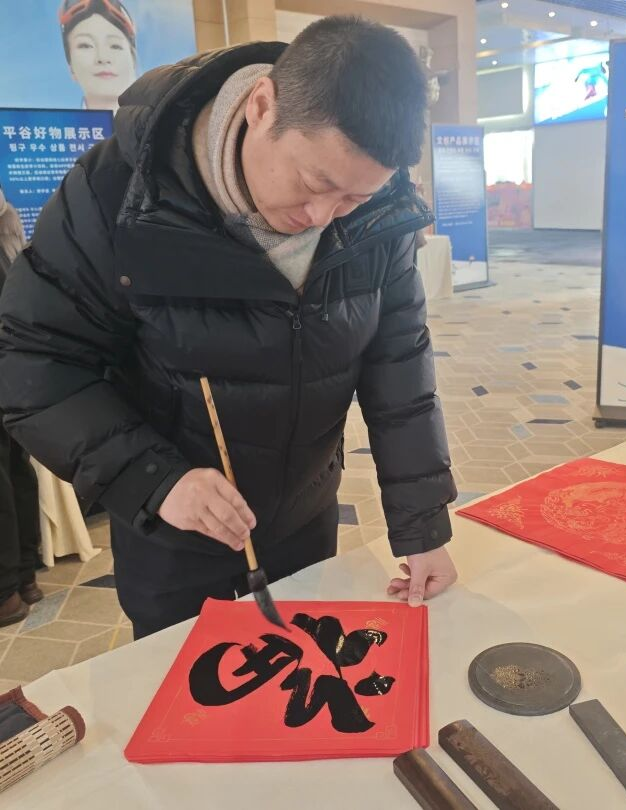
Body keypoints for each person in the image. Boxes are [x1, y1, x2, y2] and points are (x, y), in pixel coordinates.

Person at [0, 16, 458, 639]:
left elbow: (399, 364)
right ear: (261, 107)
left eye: (352, 200)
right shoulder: (118, 194)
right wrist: (154, 479)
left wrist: (422, 526)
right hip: (177, 530)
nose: (322, 217)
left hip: (304, 518)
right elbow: (31, 361)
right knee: (194, 686)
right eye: (314, 183)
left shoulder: (378, 208)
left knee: (304, 671)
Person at [0, 184, 42, 625]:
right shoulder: (8, 221)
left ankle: (5, 592)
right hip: (14, 365)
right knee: (15, 467)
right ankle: (25, 576)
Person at [59, 0, 138, 113]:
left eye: (115, 46)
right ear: (70, 67)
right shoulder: (56, 122)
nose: (102, 58)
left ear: (133, 60)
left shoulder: (158, 120)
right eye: (86, 45)